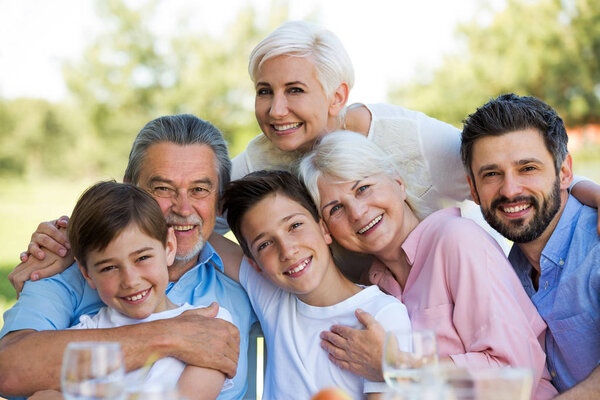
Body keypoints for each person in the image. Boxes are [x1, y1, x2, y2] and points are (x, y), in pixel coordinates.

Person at [0, 114, 256, 400]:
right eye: (162, 188)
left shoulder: (245, 280)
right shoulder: (61, 267)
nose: (184, 208)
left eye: (199, 189)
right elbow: (8, 371)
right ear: (128, 187)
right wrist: (169, 336)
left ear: (218, 200)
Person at [297, 131, 558, 399]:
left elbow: (513, 373)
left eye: (363, 188)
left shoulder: (457, 240)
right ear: (326, 228)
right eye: (335, 209)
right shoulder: (372, 285)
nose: (357, 212)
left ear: (398, 183)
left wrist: (396, 368)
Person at [220, 170, 411, 399]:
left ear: (323, 229)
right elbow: (196, 229)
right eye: (265, 244)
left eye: (294, 226)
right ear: (256, 265)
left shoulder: (381, 314)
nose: (288, 251)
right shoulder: (273, 296)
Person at [460, 93, 600, 397]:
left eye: (528, 168)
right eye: (492, 174)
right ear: (473, 188)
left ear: (564, 172)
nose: (510, 190)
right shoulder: (506, 271)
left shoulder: (596, 248)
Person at [67, 181, 231, 399]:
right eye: (109, 267)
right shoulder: (83, 335)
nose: (131, 280)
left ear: (169, 248)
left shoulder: (211, 326)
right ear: (87, 273)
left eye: (142, 258)